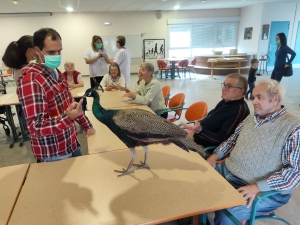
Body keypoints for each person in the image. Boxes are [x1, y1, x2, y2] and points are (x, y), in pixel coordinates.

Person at [206, 79, 300, 225]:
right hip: (228, 170)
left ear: (275, 98)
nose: (253, 101)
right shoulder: (251, 118)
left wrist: (258, 187)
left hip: (262, 188)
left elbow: (295, 173)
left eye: (259, 97)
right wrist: (215, 156)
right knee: (197, 185)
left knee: (227, 213)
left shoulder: (294, 127)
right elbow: (232, 141)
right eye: (253, 97)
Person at [17, 28, 95, 162]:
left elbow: (71, 103)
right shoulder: (31, 81)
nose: (57, 55)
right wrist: (67, 118)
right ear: (37, 51)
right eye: (51, 52)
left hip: (70, 142)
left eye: (59, 51)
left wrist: (86, 124)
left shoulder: (55, 72)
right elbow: (36, 126)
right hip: (54, 152)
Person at [181, 73, 250, 150]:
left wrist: (200, 130)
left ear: (240, 91)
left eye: (229, 86)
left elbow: (221, 140)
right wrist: (198, 125)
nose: (223, 89)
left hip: (204, 148)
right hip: (197, 138)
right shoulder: (226, 101)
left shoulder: (238, 111)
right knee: (170, 138)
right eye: (224, 85)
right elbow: (212, 117)